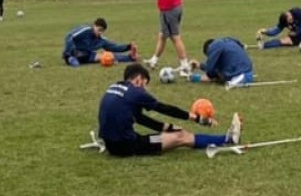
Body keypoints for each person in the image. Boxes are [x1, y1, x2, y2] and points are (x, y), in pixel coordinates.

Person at [97, 63, 242, 157]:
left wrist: (169, 127)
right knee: (181, 137)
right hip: (127, 146)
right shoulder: (136, 92)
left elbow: (141, 119)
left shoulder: (115, 87)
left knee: (175, 133)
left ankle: (225, 138)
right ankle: (227, 139)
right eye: (145, 84)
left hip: (111, 144)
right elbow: (165, 109)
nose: (145, 89)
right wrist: (197, 119)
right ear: (139, 79)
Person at [62, 18, 138, 66]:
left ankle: (130, 58)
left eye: (102, 31)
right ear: (94, 25)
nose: (100, 33)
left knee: (107, 56)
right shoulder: (85, 30)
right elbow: (69, 36)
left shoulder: (101, 40)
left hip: (86, 55)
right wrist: (69, 52)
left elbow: (113, 47)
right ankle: (70, 58)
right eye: (99, 30)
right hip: (73, 52)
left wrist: (128, 46)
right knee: (78, 54)